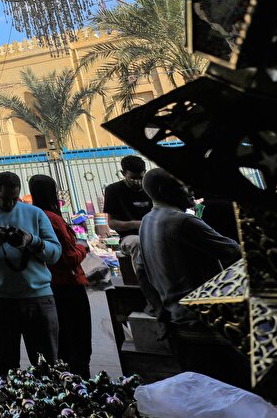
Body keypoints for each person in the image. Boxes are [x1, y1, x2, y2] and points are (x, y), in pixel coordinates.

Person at [137, 168, 248, 388]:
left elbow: (141, 272)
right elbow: (234, 251)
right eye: (182, 185)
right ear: (163, 190)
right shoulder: (182, 222)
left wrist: (160, 312)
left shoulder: (147, 222)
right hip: (206, 329)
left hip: (178, 325)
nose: (189, 190)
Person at [0, 171, 63, 383]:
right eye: (5, 198)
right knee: (4, 368)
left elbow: (55, 254)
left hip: (37, 298)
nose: (10, 204)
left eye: (14, 199)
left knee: (47, 366)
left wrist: (32, 241)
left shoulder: (35, 214)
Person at [29, 174, 91, 377]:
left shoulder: (30, 216)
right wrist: (83, 247)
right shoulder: (52, 219)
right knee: (77, 339)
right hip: (68, 285)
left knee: (59, 339)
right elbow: (69, 256)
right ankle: (81, 383)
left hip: (44, 285)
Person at [103, 155, 152, 276]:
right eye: (133, 178)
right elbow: (112, 223)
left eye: (141, 178)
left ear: (145, 173)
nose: (138, 182)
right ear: (123, 173)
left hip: (155, 232)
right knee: (138, 243)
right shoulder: (113, 190)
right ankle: (144, 283)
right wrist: (137, 224)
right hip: (129, 237)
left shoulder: (151, 187)